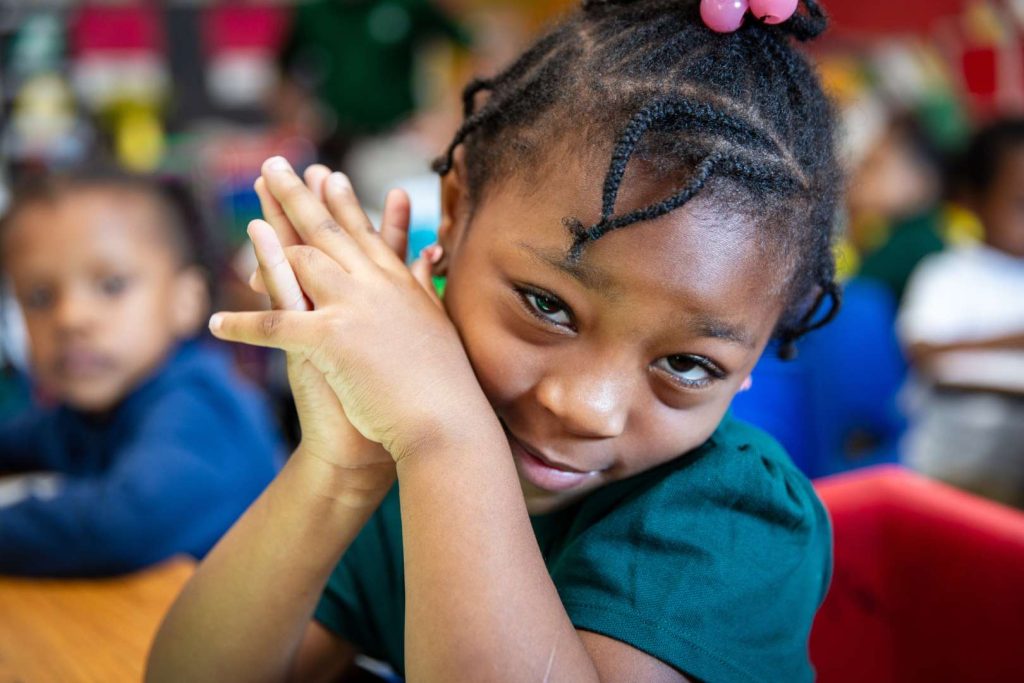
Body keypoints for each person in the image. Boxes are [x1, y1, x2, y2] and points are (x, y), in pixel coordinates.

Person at [148, 2, 840, 681]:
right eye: (547, 305)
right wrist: (338, 470)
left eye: (688, 364)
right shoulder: (397, 456)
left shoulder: (735, 519)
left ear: (755, 357)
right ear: (454, 210)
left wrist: (449, 437)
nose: (586, 407)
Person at [0, 170, 284, 576]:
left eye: (111, 285)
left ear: (186, 300)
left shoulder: (201, 405)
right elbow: (21, 441)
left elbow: (121, 525)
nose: (70, 318)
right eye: (39, 296)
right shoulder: (92, 409)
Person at [898, 119, 1024, 509]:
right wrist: (1012, 340)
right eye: (1021, 204)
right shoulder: (947, 273)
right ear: (972, 200)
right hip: (958, 456)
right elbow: (923, 351)